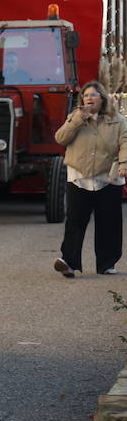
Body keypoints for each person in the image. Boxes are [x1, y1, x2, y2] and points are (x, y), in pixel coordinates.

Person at [53, 81, 127, 277]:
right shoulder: (75, 118)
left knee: (109, 222)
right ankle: (68, 262)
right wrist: (78, 119)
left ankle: (107, 264)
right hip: (79, 177)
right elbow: (60, 138)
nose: (89, 98)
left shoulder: (117, 120)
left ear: (102, 98)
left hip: (108, 177)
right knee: (75, 221)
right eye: (86, 95)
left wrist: (124, 165)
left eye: (93, 95)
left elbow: (125, 143)